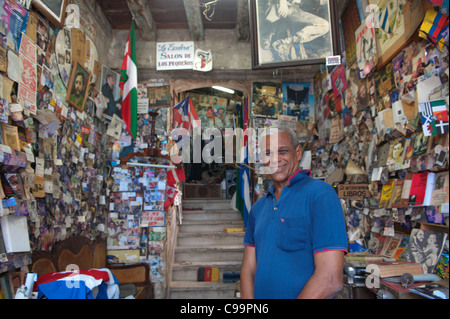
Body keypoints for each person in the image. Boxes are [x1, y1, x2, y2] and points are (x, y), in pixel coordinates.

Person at [240, 125, 348, 299]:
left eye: (283, 151)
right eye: (268, 153)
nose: (275, 159)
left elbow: (330, 279)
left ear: (298, 153)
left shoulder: (321, 195)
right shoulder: (258, 208)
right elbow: (248, 270)